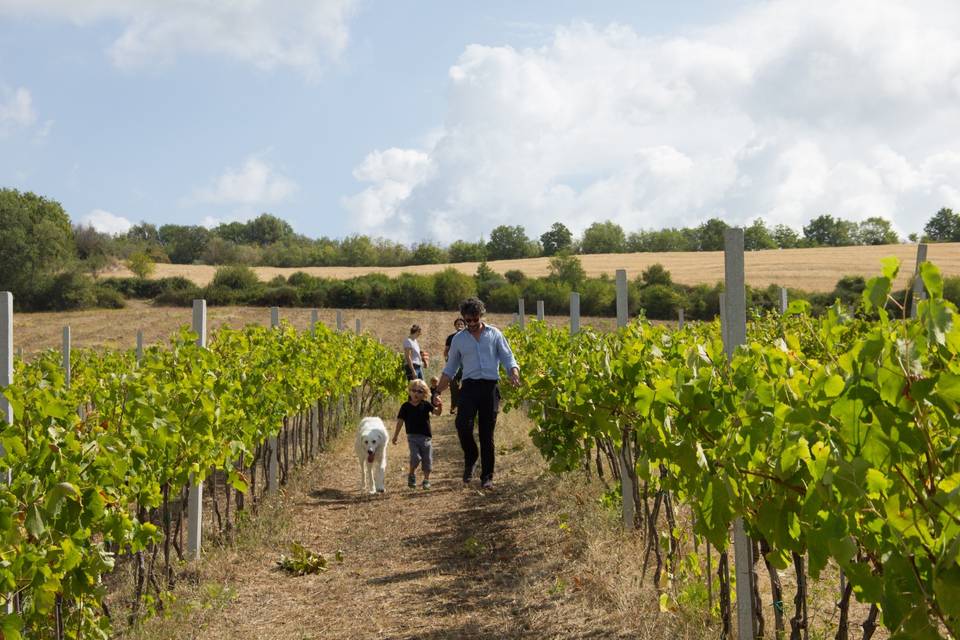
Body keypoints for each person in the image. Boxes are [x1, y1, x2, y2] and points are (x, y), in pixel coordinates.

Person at [435, 298, 520, 490]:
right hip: (470, 387)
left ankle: (487, 477)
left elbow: (508, 357)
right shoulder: (459, 339)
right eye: (467, 320)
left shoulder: (495, 334)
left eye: (474, 319)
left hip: (490, 388)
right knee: (462, 425)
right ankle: (471, 456)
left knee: (486, 433)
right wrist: (438, 390)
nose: (471, 324)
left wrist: (513, 372)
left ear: (481, 316)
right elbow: (451, 367)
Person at [392, 378, 442, 489]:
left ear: (424, 394)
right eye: (413, 390)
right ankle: (411, 474)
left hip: (426, 438)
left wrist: (440, 405)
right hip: (412, 437)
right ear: (409, 391)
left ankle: (426, 480)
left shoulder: (426, 405)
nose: (416, 393)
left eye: (419, 391)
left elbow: (437, 413)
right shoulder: (405, 406)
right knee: (415, 457)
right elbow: (400, 421)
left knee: (427, 460)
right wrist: (395, 435)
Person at [443, 317, 466, 414]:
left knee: (466, 386)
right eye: (458, 324)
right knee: (453, 386)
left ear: (464, 326)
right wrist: (448, 360)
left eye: (461, 324)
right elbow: (446, 351)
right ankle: (453, 407)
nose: (459, 326)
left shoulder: (468, 336)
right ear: (455, 326)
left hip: (466, 364)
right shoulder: (450, 337)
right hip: (455, 364)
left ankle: (464, 407)